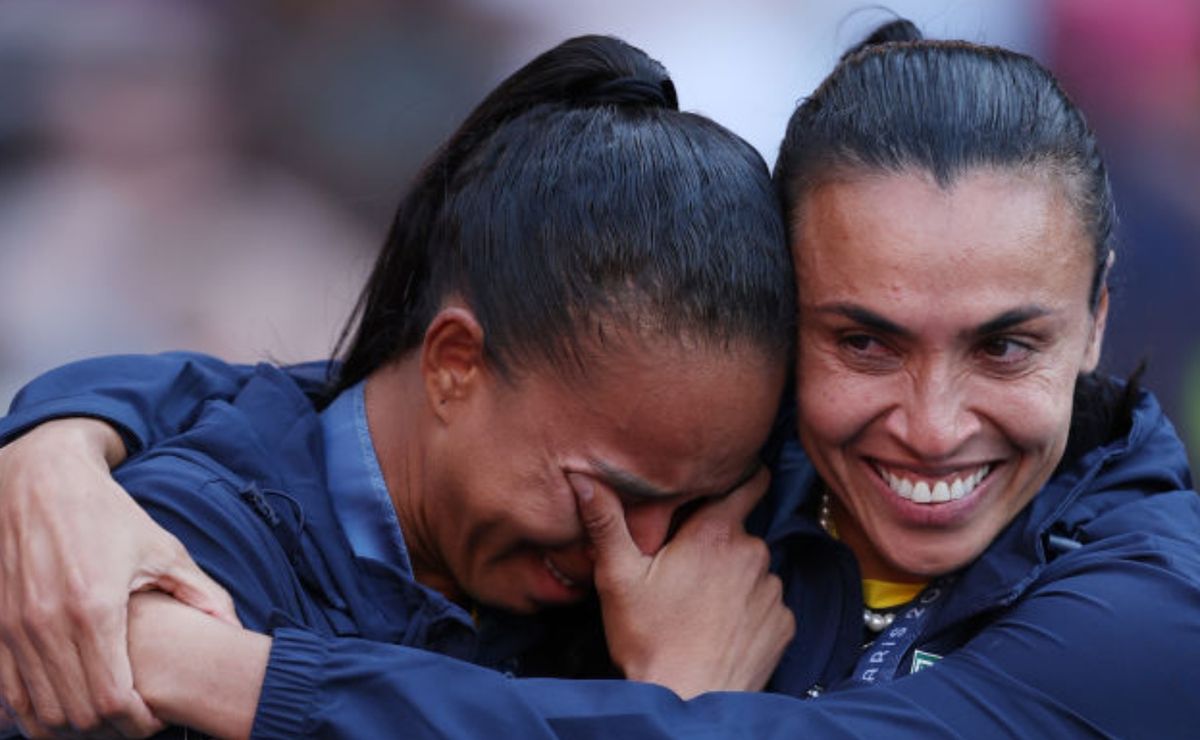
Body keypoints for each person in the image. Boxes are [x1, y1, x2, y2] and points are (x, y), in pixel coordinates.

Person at [5, 18, 1200, 739]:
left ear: (1098, 314)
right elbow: (330, 396)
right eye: (865, 340)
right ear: (788, 320)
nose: (931, 425)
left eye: (1006, 344)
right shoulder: (735, 457)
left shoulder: (1150, 606)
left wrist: (240, 677)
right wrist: (59, 444)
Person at [0, 35, 798, 737]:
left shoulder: (724, 584)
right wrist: (676, 708)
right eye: (609, 493)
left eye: (690, 508)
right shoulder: (164, 557)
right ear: (454, 363)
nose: (642, 559)